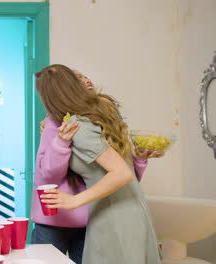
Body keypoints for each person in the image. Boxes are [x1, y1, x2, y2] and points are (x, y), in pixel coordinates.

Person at [30, 70, 163, 264]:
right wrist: (59, 142)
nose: (85, 79)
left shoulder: (94, 119)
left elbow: (122, 175)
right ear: (66, 89)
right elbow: (46, 177)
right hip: (69, 216)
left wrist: (139, 159)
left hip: (100, 212)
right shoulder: (59, 123)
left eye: (84, 76)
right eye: (76, 78)